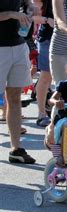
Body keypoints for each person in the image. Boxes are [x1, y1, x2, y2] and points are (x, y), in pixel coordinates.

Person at [0, 0, 39, 164]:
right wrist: (11, 14)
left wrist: (31, 9)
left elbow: (26, 3)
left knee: (15, 97)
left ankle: (16, 149)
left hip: (18, 44)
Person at [32, 0, 54, 127]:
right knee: (46, 76)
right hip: (47, 38)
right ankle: (41, 114)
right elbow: (33, 17)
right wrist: (47, 19)